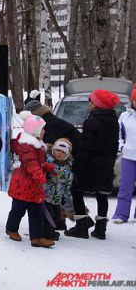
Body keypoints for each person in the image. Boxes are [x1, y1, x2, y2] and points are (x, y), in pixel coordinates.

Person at [66, 89, 120, 240]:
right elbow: (114, 145)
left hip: (90, 165)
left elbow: (85, 147)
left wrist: (78, 165)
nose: (89, 104)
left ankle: (81, 226)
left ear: (96, 104)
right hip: (106, 164)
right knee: (102, 194)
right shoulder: (113, 120)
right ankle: (101, 229)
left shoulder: (92, 121)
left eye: (90, 101)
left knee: (76, 191)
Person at [5, 114, 55, 248]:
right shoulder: (27, 145)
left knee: (36, 212)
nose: (44, 131)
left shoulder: (38, 145)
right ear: (35, 130)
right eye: (42, 129)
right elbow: (30, 163)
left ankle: (37, 237)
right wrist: (40, 176)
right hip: (23, 184)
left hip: (33, 186)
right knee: (18, 210)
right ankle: (11, 229)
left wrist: (46, 167)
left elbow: (37, 163)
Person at [113, 85, 136, 224]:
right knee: (125, 186)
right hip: (128, 156)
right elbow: (119, 134)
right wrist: (122, 146)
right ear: (132, 101)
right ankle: (121, 214)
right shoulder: (124, 116)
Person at [43, 138, 73, 241]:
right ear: (53, 150)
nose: (59, 153)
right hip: (46, 196)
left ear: (67, 155)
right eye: (57, 150)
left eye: (63, 152)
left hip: (58, 198)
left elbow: (68, 183)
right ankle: (49, 234)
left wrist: (66, 196)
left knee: (56, 215)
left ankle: (50, 231)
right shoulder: (48, 163)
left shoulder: (68, 167)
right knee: (48, 216)